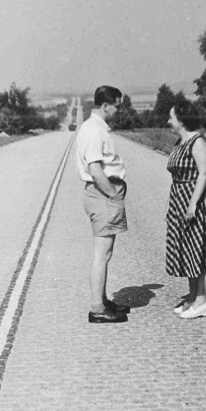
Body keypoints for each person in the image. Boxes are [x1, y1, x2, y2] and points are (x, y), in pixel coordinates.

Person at [75, 85, 131, 323]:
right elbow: (96, 170)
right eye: (117, 105)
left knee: (105, 253)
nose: (118, 110)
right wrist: (113, 195)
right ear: (105, 105)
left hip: (103, 194)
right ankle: (97, 308)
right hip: (103, 194)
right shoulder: (93, 131)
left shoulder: (98, 128)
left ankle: (103, 300)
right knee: (102, 253)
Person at [165, 100, 206, 319]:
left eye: (171, 117)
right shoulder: (180, 142)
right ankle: (192, 297)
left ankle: (202, 301)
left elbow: (204, 174)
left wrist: (192, 203)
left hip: (195, 202)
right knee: (187, 250)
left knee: (198, 251)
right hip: (179, 199)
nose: (169, 121)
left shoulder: (198, 142)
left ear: (181, 120)